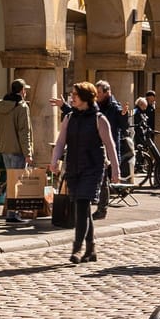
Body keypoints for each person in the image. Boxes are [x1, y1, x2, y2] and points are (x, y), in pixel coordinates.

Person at [51, 82, 119, 265]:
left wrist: (116, 170)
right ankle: (91, 250)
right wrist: (54, 161)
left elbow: (110, 146)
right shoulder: (69, 118)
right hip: (73, 167)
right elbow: (60, 142)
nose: (71, 97)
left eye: (75, 95)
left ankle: (77, 248)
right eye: (71, 94)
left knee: (81, 206)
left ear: (86, 98)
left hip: (92, 168)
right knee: (82, 209)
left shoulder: (99, 119)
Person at [0, 79, 34, 223]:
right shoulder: (21, 106)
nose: (25, 93)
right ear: (22, 90)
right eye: (25, 90)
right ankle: (13, 213)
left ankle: (10, 211)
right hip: (18, 149)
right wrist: (28, 153)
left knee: (10, 180)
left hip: (5, 147)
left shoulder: (1, 105)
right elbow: (24, 132)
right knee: (17, 182)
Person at [92, 80, 129, 221]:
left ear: (107, 92)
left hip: (108, 147)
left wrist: (124, 115)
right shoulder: (96, 105)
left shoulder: (114, 106)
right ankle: (99, 205)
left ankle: (102, 209)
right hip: (96, 146)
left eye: (99, 93)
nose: (97, 95)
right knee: (101, 180)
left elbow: (123, 126)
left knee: (103, 180)